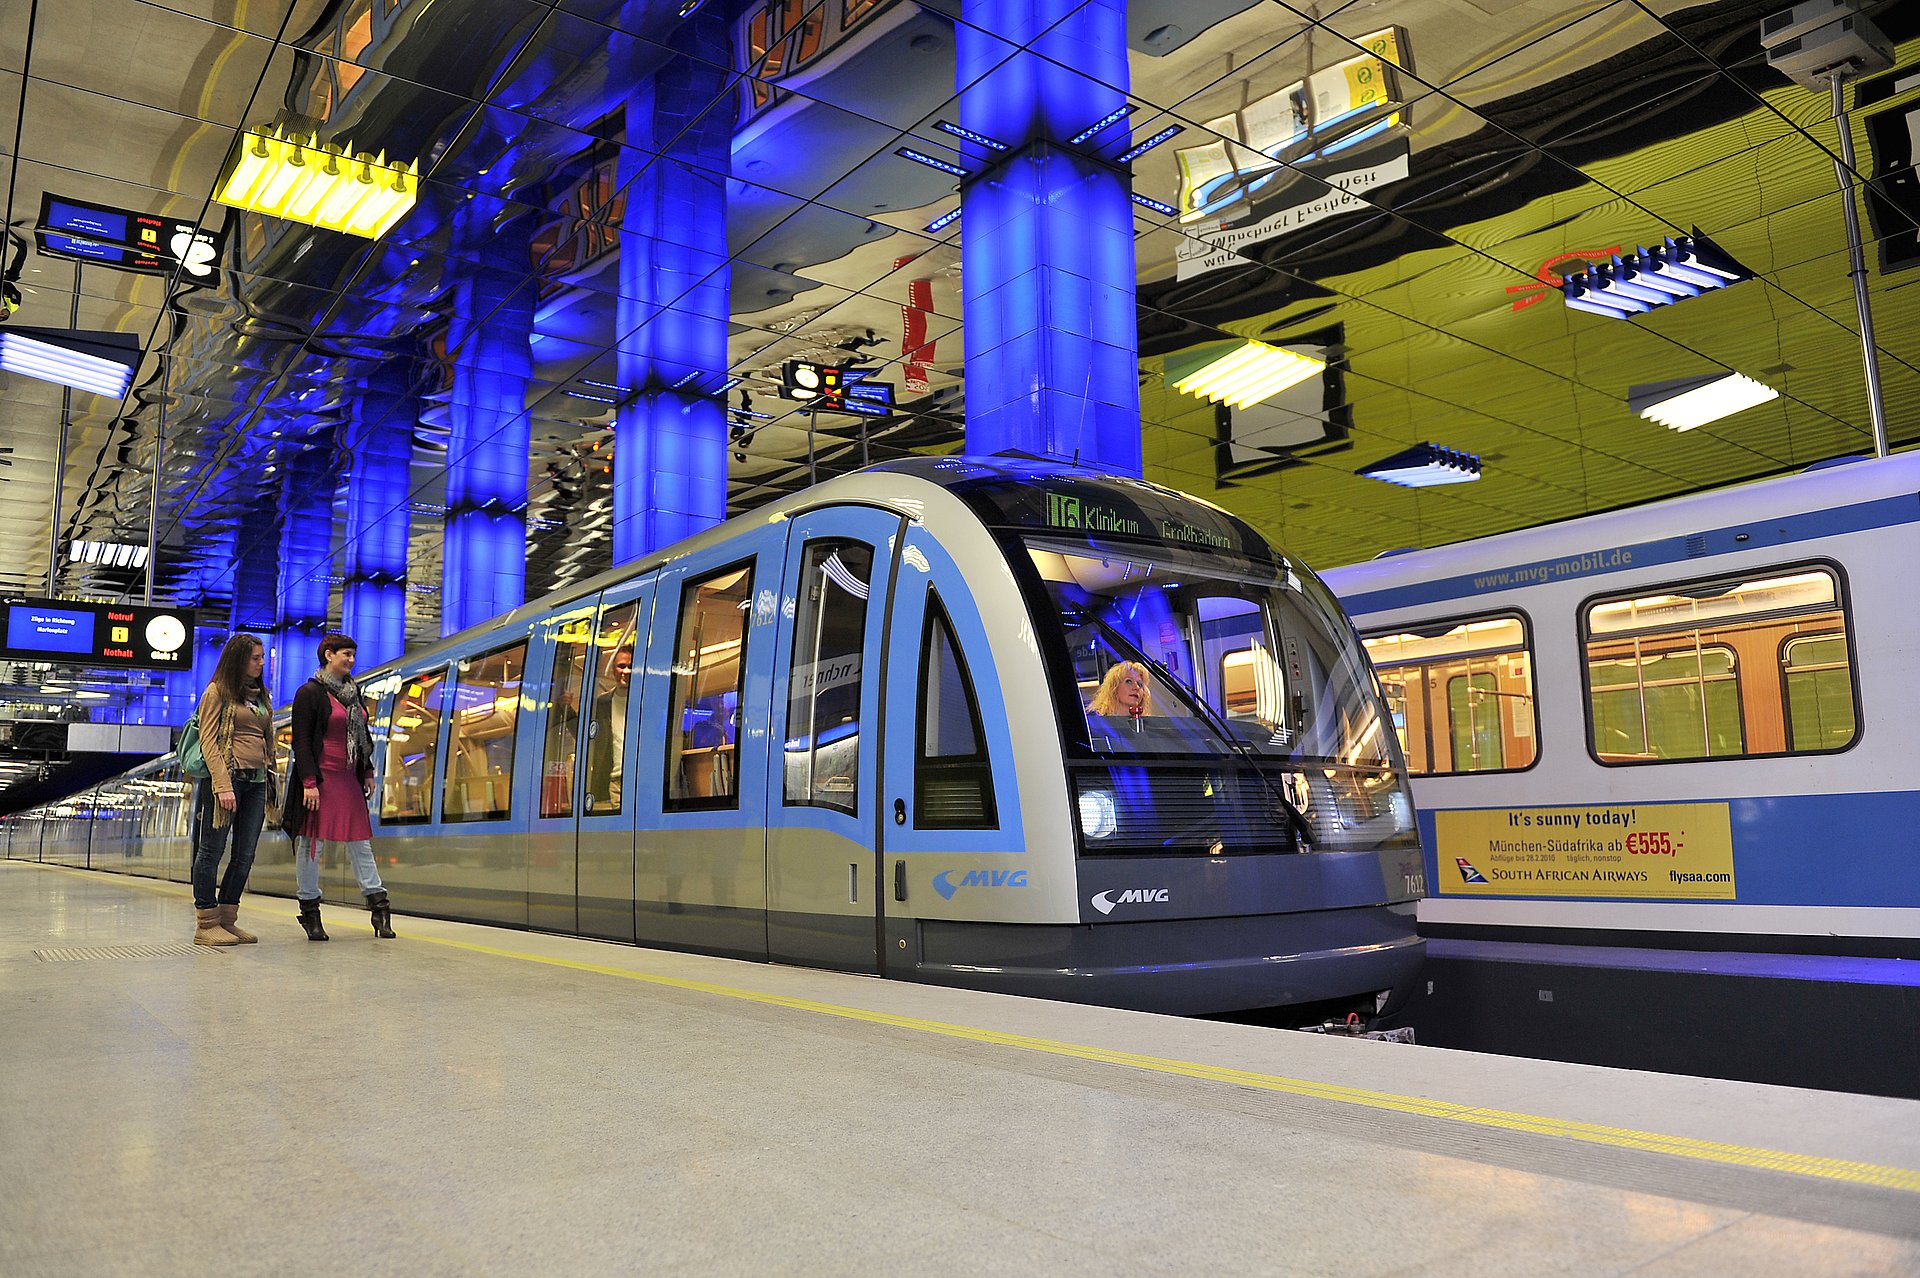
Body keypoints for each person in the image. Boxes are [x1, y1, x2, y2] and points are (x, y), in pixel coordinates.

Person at [287, 633, 394, 940]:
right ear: (328, 655)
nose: (351, 660)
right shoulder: (309, 692)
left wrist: (368, 771)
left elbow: (364, 738)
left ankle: (379, 906)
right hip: (320, 778)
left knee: (360, 843)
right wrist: (309, 782)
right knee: (311, 845)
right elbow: (302, 741)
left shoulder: (354, 693)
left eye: (352, 655)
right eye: (345, 654)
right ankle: (310, 911)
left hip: (348, 779)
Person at [189, 634, 274, 945]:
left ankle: (227, 919)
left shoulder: (260, 696)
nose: (261, 663)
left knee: (245, 854)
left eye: (261, 657)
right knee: (211, 851)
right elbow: (209, 742)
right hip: (228, 781)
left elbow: (265, 740)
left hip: (256, 781)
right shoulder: (216, 692)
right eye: (255, 657)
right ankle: (206, 922)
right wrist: (223, 785)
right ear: (238, 659)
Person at [1087, 660, 1153, 721]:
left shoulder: (1146, 726)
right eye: (1129, 681)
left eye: (1140, 684)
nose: (1136, 687)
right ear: (1114, 687)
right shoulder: (1094, 721)